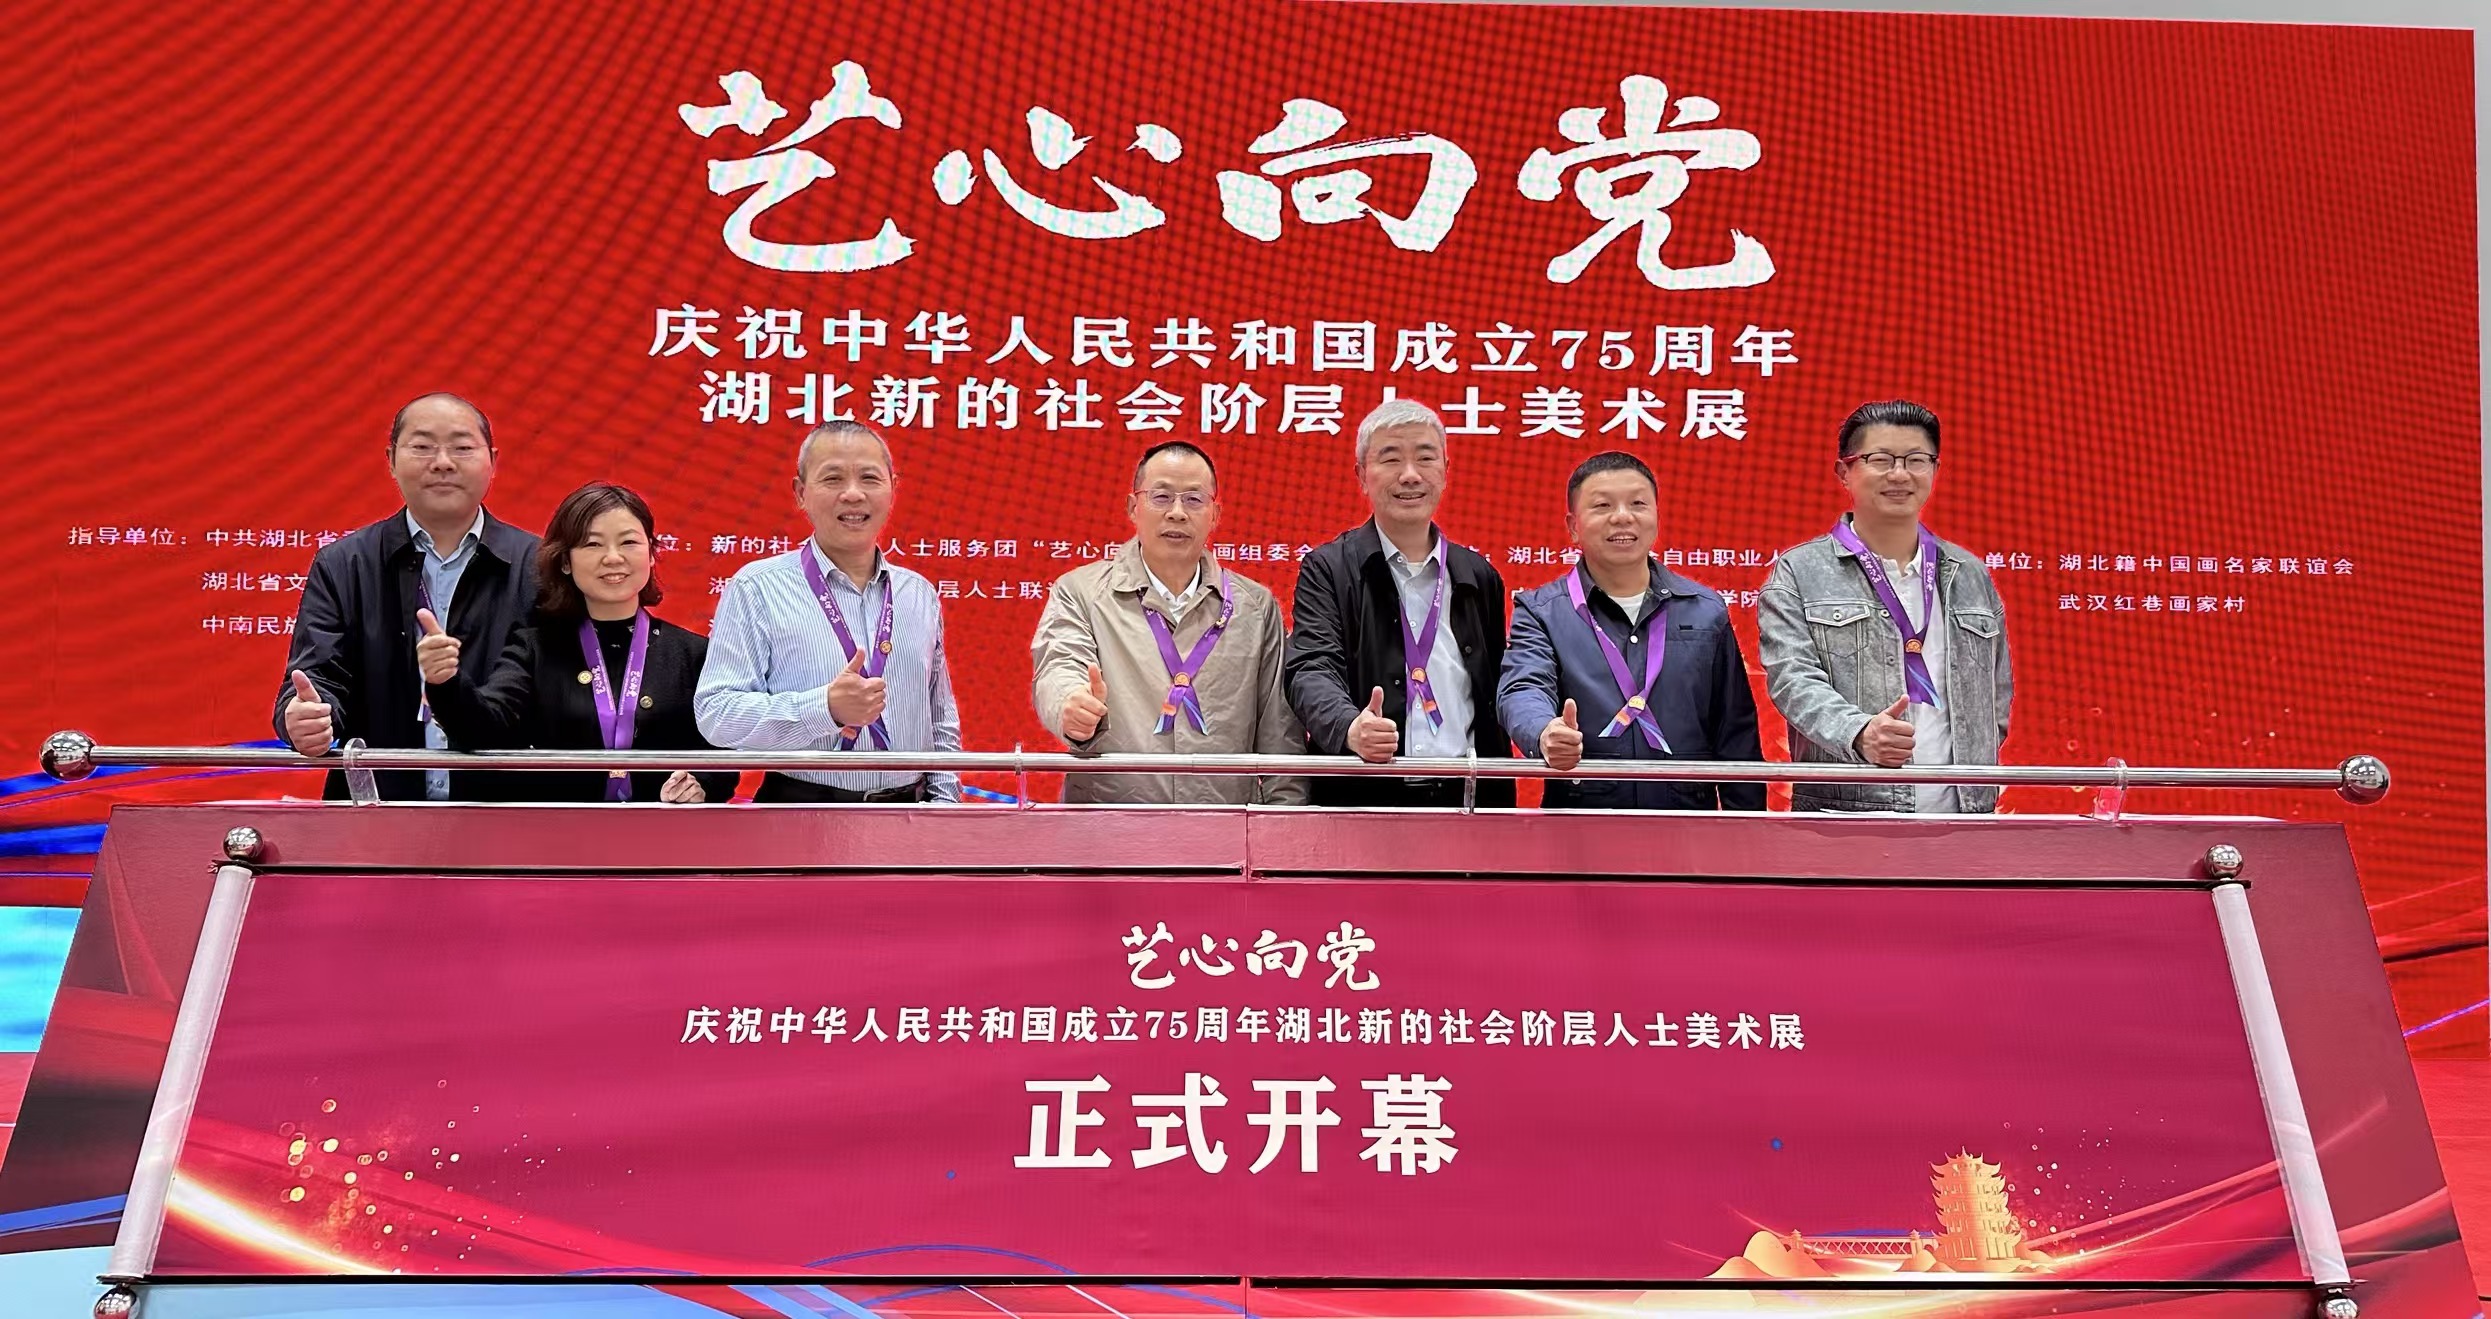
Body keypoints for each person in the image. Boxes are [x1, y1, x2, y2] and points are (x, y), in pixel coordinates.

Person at [273, 393, 539, 801]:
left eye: (462, 447)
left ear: (492, 461)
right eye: (423, 446)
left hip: (507, 809)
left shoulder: (538, 566)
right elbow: (317, 675)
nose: (443, 462)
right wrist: (306, 717)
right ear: (391, 460)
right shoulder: (345, 563)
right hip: (378, 807)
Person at [1759, 400, 2013, 812]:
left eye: (1916, 460)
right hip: (1847, 815)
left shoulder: (1969, 573)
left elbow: (1996, 692)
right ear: (1844, 472)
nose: (1899, 474)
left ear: (1935, 470)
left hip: (1966, 814)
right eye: (1880, 459)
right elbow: (1793, 680)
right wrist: (1859, 734)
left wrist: (1978, 759)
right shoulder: (1800, 571)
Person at [421, 482, 739, 804]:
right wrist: (445, 681)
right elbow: (484, 729)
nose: (613, 558)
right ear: (565, 562)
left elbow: (723, 755)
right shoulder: (535, 649)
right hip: (559, 831)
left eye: (628, 542)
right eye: (592, 544)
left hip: (665, 832)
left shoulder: (692, 653)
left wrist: (702, 783)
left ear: (651, 554)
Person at [695, 420, 960, 803]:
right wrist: (824, 708)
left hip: (908, 812)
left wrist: (945, 806)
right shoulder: (757, 587)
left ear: (892, 488)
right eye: (832, 479)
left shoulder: (917, 593)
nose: (852, 494)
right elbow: (717, 714)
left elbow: (939, 717)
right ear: (801, 493)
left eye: (869, 478)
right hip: (799, 811)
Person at [1032, 441, 1306, 804]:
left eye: (1194, 499)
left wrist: (1285, 822)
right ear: (1133, 507)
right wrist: (1070, 705)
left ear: (1215, 514)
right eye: (1161, 497)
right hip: (1109, 823)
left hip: (1224, 824)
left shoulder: (1255, 608)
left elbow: (1280, 733)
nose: (1177, 513)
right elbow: (1059, 665)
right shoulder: (1080, 592)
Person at [1498, 451, 1763, 810]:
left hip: (1687, 823)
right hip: (1581, 822)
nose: (1622, 517)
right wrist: (1544, 731)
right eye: (1603, 505)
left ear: (1656, 516)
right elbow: (1523, 688)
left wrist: (1747, 827)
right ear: (1573, 527)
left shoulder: (1705, 610)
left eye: (1638, 503)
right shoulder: (1542, 611)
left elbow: (1736, 734)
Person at [1285, 399, 1513, 808]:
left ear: (1445, 471)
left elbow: (1497, 688)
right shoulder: (1329, 569)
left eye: (1425, 458)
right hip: (1364, 797)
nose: (1410, 475)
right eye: (1390, 459)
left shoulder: (1478, 575)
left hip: (1470, 801)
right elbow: (1311, 667)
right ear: (1362, 475)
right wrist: (1348, 726)